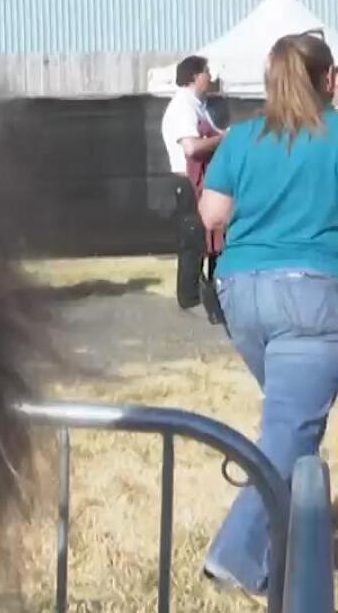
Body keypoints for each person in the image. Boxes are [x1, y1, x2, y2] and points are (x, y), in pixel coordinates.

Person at [198, 30, 338, 595]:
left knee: (287, 421)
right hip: (313, 295)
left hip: (243, 296)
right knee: (288, 431)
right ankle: (238, 554)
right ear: (328, 79)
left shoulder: (245, 136)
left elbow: (212, 212)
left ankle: (294, 535)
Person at [160, 54, 225, 318]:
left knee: (207, 239)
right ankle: (189, 300)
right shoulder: (183, 107)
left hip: (202, 181)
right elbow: (191, 147)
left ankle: (206, 295)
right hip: (187, 182)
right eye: (206, 72)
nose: (210, 77)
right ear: (194, 76)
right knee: (193, 241)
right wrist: (222, 139)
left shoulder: (199, 105)